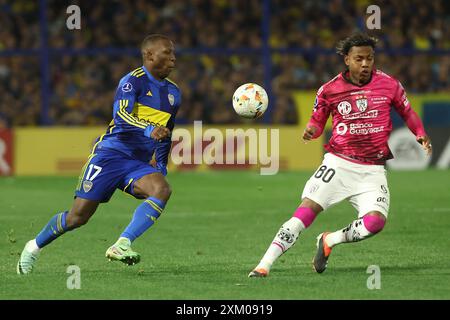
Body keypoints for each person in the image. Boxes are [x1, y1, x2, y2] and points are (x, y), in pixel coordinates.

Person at [249, 33, 432, 277]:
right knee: (307, 209)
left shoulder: (390, 85)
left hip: (373, 169)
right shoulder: (329, 89)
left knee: (375, 223)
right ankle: (264, 265)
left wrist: (419, 133)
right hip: (339, 163)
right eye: (359, 59)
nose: (365, 64)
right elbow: (316, 122)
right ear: (347, 59)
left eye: (369, 58)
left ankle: (329, 240)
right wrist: (311, 131)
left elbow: (407, 112)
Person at [17, 34, 180, 274]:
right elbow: (121, 115)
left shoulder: (174, 93)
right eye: (167, 53)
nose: (174, 59)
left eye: (173, 53)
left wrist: (162, 165)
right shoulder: (131, 81)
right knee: (77, 218)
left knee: (162, 189)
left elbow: (167, 131)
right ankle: (32, 247)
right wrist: (148, 129)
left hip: (136, 164)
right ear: (149, 55)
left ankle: (122, 244)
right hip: (110, 155)